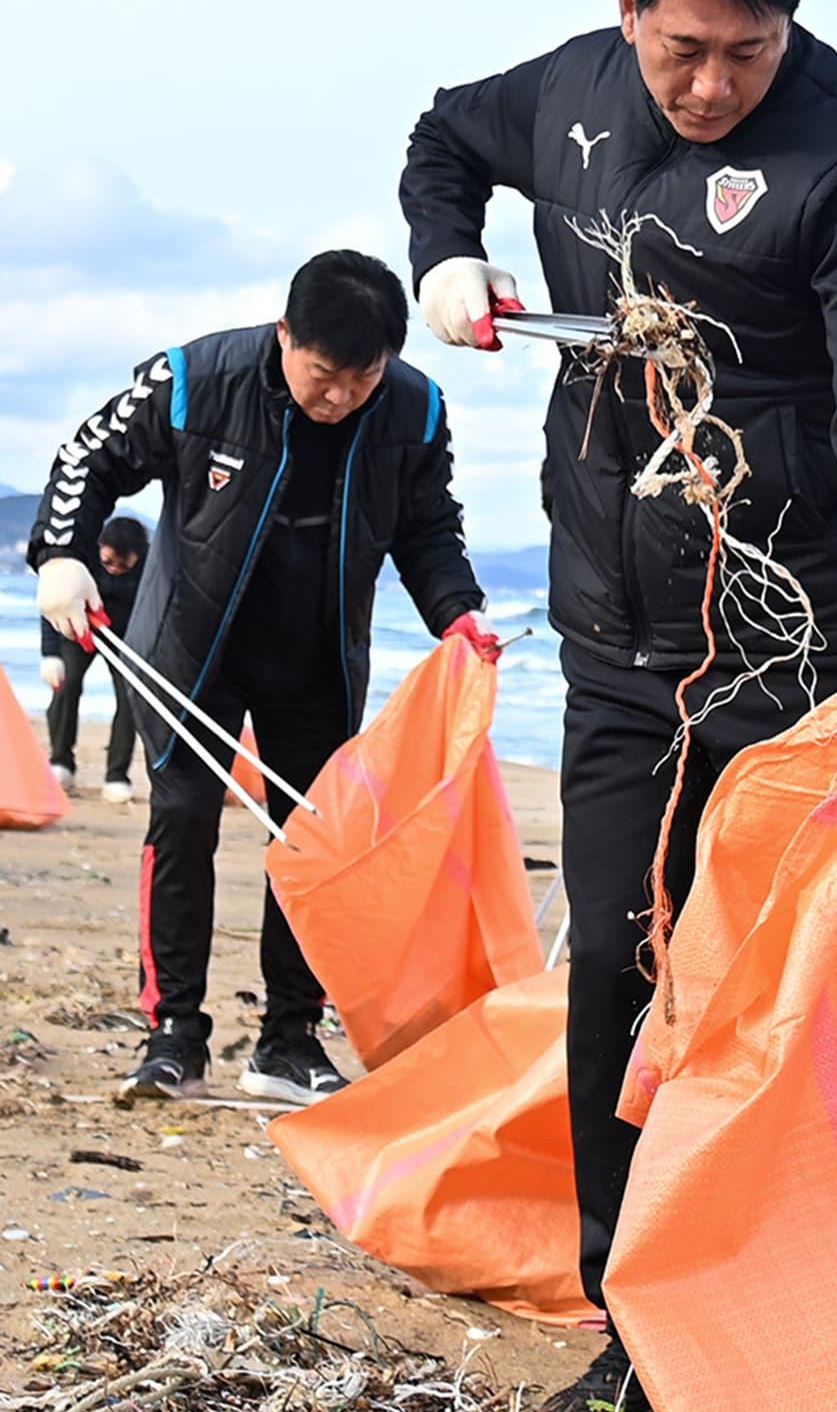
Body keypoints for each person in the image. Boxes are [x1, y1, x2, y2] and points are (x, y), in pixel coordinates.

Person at [400, 0, 837, 1412]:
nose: (714, 84)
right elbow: (442, 136)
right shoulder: (569, 97)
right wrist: (450, 255)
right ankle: (628, 1309)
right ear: (626, 5)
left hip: (787, 641)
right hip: (613, 626)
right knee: (617, 962)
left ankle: (777, 1283)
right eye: (684, 48)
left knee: (760, 988)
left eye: (752, 51)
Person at [29, 251, 494, 1105]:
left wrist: (458, 614)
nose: (340, 397)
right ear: (285, 336)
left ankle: (288, 1039)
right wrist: (61, 557)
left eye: (362, 379)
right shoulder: (193, 380)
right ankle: (175, 1035)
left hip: (318, 651)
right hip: (192, 645)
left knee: (311, 841)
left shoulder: (416, 409)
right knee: (182, 824)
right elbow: (85, 454)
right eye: (324, 376)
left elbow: (429, 529)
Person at [42, 515, 147, 801]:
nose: (114, 571)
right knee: (67, 684)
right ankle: (61, 761)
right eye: (108, 562)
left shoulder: (153, 567)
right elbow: (54, 603)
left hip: (127, 639)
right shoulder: (82, 556)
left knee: (129, 701)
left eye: (124, 566)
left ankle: (116, 776)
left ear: (139, 555)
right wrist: (50, 654)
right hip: (80, 630)